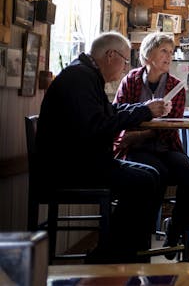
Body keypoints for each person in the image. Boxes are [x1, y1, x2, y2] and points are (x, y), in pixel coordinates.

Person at [36, 32, 169, 263]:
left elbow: (109, 112)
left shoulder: (86, 75)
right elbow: (97, 126)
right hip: (69, 169)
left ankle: (129, 251)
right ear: (110, 56)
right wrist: (143, 111)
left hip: (82, 161)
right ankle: (110, 256)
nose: (126, 68)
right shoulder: (80, 78)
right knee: (145, 181)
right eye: (125, 61)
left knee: (153, 175)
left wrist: (142, 108)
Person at [113, 32, 189, 257]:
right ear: (148, 53)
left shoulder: (176, 86)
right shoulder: (130, 80)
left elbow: (172, 127)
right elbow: (118, 115)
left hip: (165, 145)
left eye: (171, 52)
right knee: (156, 173)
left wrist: (141, 133)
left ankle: (176, 231)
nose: (169, 57)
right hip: (135, 149)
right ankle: (142, 241)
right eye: (164, 51)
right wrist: (140, 132)